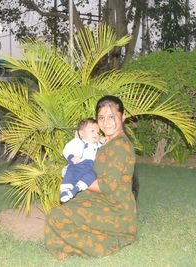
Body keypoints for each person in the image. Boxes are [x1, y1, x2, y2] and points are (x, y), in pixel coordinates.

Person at [45, 95, 137, 260]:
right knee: (63, 211)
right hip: (102, 200)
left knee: (56, 217)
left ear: (123, 117)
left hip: (116, 210)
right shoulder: (107, 142)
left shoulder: (120, 147)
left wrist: (77, 182)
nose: (106, 122)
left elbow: (106, 186)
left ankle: (110, 241)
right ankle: (90, 237)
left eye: (111, 116)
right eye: (101, 117)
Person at [60, 118, 104, 203]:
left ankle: (77, 188)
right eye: (92, 131)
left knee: (93, 175)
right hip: (80, 164)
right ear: (82, 133)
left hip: (92, 166)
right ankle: (65, 190)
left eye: (97, 132)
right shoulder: (78, 142)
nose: (96, 134)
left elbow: (102, 143)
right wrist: (71, 157)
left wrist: (103, 140)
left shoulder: (96, 144)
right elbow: (67, 149)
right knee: (71, 173)